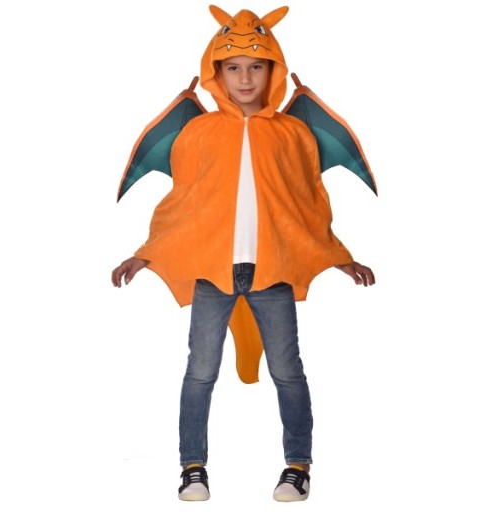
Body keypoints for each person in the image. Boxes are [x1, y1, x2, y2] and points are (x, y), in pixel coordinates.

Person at [112, 5, 375, 502]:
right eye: (232, 67)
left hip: (272, 273)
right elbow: (182, 204)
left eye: (256, 66)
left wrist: (341, 256)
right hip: (211, 273)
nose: (245, 78)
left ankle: (297, 465)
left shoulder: (293, 132)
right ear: (216, 71)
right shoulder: (198, 131)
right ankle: (193, 467)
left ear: (274, 68)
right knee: (199, 372)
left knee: (287, 371)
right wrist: (145, 254)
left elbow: (307, 205)